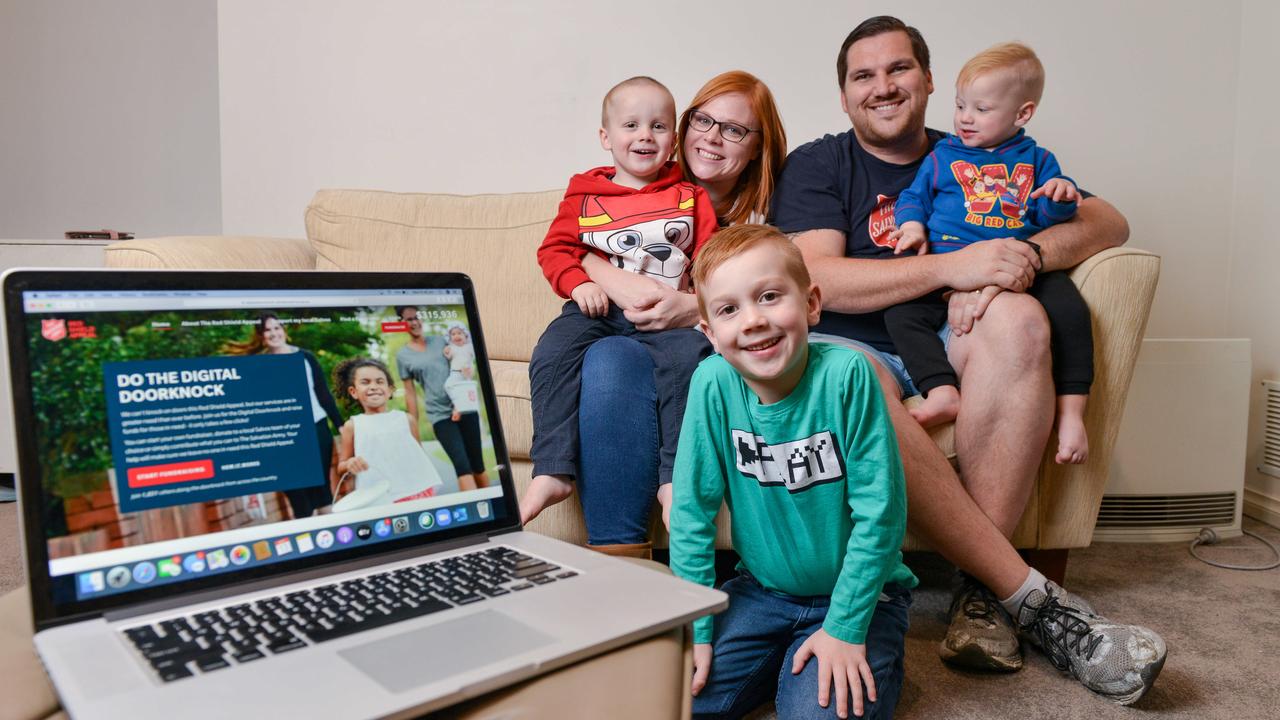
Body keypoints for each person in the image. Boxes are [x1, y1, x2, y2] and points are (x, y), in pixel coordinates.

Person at [769, 15, 1165, 704]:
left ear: (927, 79)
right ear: (843, 95)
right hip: (856, 343)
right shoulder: (821, 161)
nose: (883, 86)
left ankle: (980, 596)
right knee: (853, 379)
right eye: (863, 75)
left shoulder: (979, 149)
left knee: (1021, 318)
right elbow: (818, 277)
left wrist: (1022, 260)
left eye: (898, 69)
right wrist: (956, 266)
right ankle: (1026, 594)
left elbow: (1109, 222)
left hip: (956, 334)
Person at [671, 225, 916, 720]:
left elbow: (881, 514)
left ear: (811, 304)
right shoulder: (712, 383)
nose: (754, 320)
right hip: (761, 591)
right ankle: (776, 659)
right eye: (728, 309)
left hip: (859, 597)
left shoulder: (849, 374)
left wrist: (846, 628)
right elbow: (691, 513)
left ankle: (871, 655)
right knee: (673, 697)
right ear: (709, 334)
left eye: (769, 296)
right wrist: (695, 632)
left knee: (819, 712)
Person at [572, 70, 789, 555]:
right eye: (703, 120)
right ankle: (618, 558)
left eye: (733, 129)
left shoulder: (769, 220)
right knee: (608, 354)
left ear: (757, 146)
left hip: (708, 348)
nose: (712, 137)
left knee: (687, 364)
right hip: (625, 339)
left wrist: (693, 307)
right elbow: (576, 246)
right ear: (683, 128)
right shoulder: (633, 190)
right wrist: (594, 266)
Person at [520, 76, 718, 528]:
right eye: (631, 125)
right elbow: (554, 251)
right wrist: (576, 283)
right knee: (551, 354)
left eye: (659, 126)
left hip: (668, 320)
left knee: (691, 364)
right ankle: (552, 468)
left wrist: (698, 301)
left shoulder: (690, 197)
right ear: (606, 137)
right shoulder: (584, 198)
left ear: (674, 139)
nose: (645, 135)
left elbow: (711, 258)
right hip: (596, 311)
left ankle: (673, 480)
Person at [885, 41, 1093, 465]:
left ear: (1022, 114)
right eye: (961, 105)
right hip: (951, 266)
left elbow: (1050, 215)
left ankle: (1072, 413)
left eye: (981, 109)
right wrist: (910, 226)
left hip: (1018, 264)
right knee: (899, 314)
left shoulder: (1039, 160)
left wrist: (1060, 196)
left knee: (1071, 311)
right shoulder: (943, 156)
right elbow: (912, 197)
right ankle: (942, 390)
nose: (964, 118)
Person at [223, 312, 343, 519]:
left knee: (322, 490)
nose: (274, 333)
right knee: (298, 496)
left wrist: (341, 427)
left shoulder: (306, 358)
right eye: (268, 330)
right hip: (285, 437)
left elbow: (323, 394)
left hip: (316, 429)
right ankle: (310, 542)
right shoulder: (259, 366)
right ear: (261, 336)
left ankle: (335, 540)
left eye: (277, 328)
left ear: (284, 331)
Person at [395, 306, 490, 491]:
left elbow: (463, 360)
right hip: (439, 416)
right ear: (399, 324)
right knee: (462, 467)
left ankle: (494, 509)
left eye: (416, 317)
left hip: (464, 408)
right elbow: (410, 394)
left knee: (478, 466)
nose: (414, 322)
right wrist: (414, 429)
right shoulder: (403, 356)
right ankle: (474, 516)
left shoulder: (440, 341)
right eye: (408, 319)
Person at [333, 358, 442, 505]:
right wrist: (349, 464)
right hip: (378, 497)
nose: (373, 387)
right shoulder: (352, 426)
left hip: (416, 490)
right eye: (365, 382)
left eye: (379, 381)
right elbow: (341, 467)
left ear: (390, 390)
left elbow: (419, 456)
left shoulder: (407, 419)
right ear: (354, 392)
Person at [441, 322, 476, 420]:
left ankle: (459, 408)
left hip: (466, 374)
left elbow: (474, 358)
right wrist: (446, 351)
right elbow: (448, 356)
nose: (456, 336)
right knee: (448, 385)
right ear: (450, 337)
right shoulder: (452, 348)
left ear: (465, 335)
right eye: (453, 334)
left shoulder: (469, 347)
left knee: (466, 391)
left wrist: (470, 371)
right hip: (455, 373)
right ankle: (458, 405)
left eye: (459, 333)